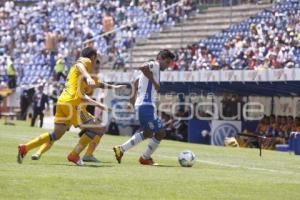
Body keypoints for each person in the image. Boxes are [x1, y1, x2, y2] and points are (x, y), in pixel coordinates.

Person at [17, 47, 124, 165]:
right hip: (72, 104)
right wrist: (88, 77)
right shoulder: (85, 62)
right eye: (95, 59)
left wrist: (114, 87)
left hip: (62, 102)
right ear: (93, 57)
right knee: (99, 128)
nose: (95, 63)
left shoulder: (82, 75)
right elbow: (80, 65)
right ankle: (74, 155)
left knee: (56, 135)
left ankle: (25, 148)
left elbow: (99, 84)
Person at [113, 49, 175, 165]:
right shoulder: (155, 64)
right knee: (161, 133)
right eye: (166, 62)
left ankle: (121, 149)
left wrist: (131, 102)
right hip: (146, 106)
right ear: (160, 58)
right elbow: (142, 66)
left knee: (148, 133)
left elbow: (134, 83)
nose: (167, 66)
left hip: (143, 105)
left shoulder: (152, 70)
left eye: (169, 63)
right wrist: (154, 81)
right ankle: (145, 157)